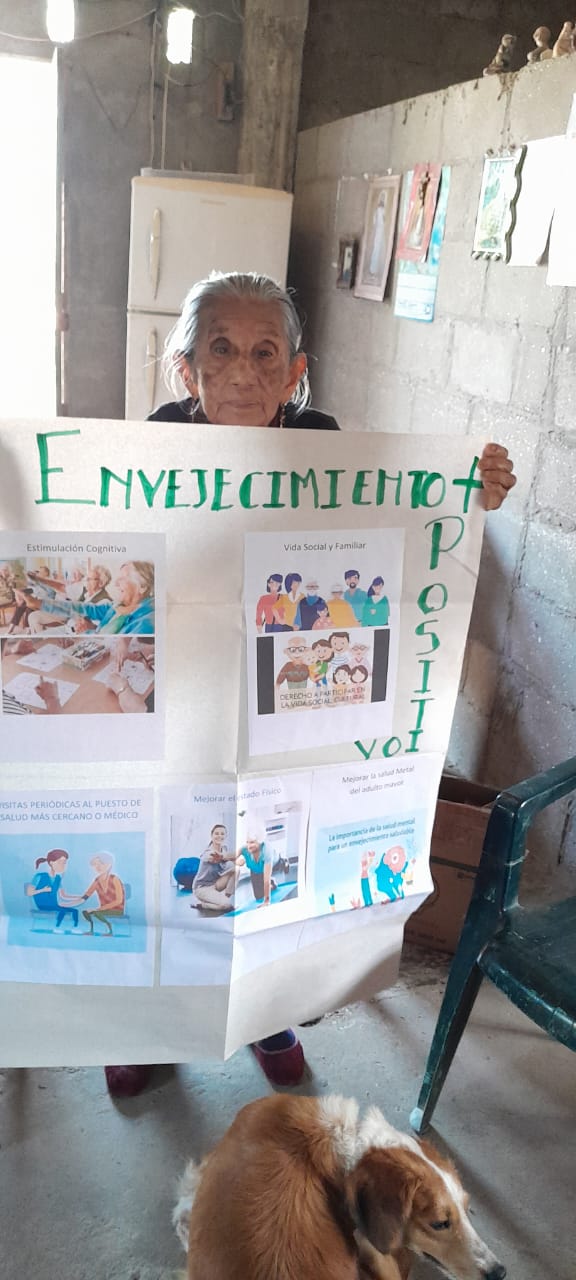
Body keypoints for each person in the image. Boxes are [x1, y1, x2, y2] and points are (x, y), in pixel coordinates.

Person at [105, 269, 516, 1099]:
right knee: (176, 857)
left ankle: (269, 1013)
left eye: (266, 352)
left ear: (296, 372)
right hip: (187, 695)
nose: (243, 371)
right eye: (221, 349)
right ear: (186, 367)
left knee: (272, 853)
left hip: (290, 707)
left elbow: (403, 527)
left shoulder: (325, 444)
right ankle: (156, 1022)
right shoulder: (156, 443)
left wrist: (468, 493)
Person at [30, 561, 154, 635]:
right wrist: (40, 603)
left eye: (124, 578)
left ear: (142, 587)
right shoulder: (116, 605)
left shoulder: (145, 623)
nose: (116, 584)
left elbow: (104, 640)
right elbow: (79, 607)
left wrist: (86, 630)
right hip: (72, 630)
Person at [25, 848, 80, 930]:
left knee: (75, 911)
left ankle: (74, 928)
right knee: (62, 911)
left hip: (54, 905)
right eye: (60, 863)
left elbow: (63, 896)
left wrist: (79, 897)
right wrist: (43, 890)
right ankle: (57, 927)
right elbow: (29, 893)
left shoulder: (58, 878)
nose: (62, 866)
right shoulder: (39, 876)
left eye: (64, 863)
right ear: (51, 863)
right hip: (42, 905)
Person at [191, 823, 240, 912]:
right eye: (216, 833)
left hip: (215, 884)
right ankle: (203, 905)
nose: (219, 836)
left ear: (225, 836)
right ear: (212, 835)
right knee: (226, 906)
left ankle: (226, 897)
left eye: (222, 834)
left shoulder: (224, 849)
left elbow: (228, 860)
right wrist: (233, 857)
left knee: (236, 870)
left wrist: (236, 860)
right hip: (202, 888)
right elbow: (213, 858)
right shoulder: (208, 852)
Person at [80, 853, 126, 936]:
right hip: (102, 910)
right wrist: (71, 901)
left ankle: (110, 930)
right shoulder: (97, 880)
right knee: (85, 912)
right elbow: (87, 894)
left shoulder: (114, 879)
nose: (98, 867)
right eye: (95, 864)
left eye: (101, 864)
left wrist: (98, 909)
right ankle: (91, 930)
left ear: (109, 865)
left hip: (116, 910)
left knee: (97, 913)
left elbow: (119, 901)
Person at [236, 824, 275, 906]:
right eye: (247, 842)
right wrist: (237, 862)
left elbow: (266, 880)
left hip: (265, 868)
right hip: (255, 869)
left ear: (259, 842)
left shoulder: (267, 851)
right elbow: (230, 858)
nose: (249, 846)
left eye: (252, 842)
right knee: (258, 896)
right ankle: (270, 885)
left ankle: (272, 883)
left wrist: (266, 901)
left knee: (266, 885)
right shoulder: (244, 848)